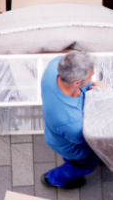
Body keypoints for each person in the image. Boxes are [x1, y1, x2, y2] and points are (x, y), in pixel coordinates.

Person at [40, 51, 105, 189]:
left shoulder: (56, 65)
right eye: (91, 76)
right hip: (73, 148)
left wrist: (91, 87)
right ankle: (54, 179)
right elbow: (86, 138)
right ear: (76, 82)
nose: (93, 77)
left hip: (55, 131)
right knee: (83, 166)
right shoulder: (73, 124)